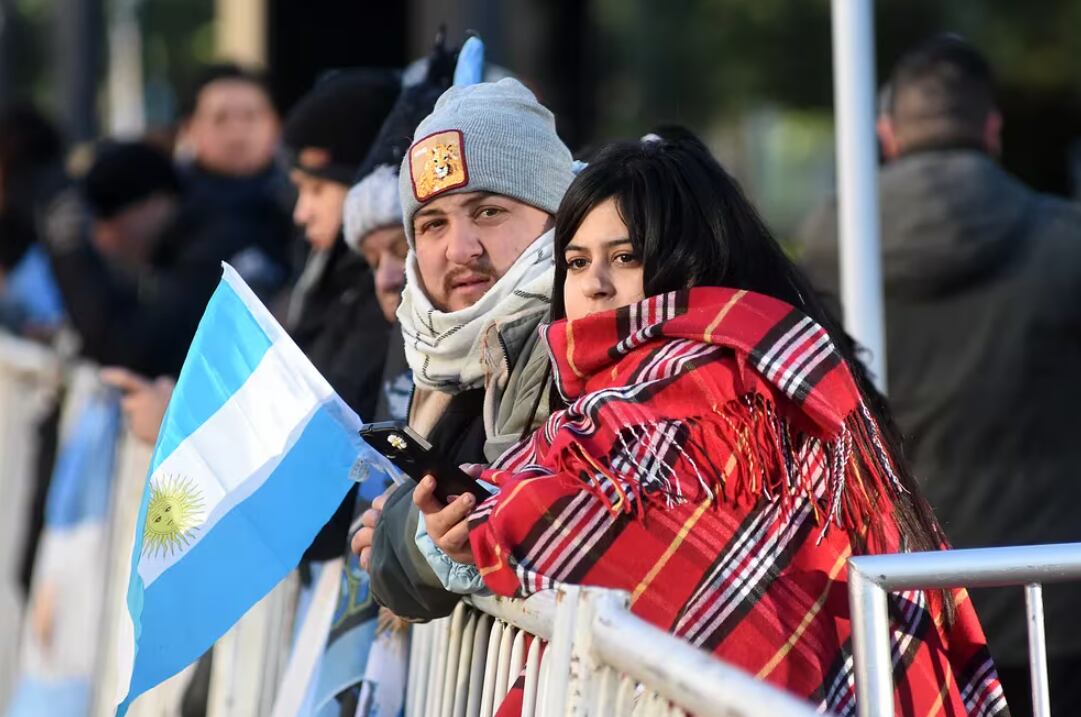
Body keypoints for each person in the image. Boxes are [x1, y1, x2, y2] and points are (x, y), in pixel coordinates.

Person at [414, 130, 1006, 714]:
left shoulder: (718, 374)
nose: (594, 285)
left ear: (687, 262)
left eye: (625, 257)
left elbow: (584, 515)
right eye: (575, 262)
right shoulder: (713, 361)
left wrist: (482, 517)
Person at [796, 35, 1081, 714]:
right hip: (1055, 606)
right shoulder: (1064, 245)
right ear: (991, 129)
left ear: (886, 133)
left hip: (896, 600)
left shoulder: (826, 247)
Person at [351, 78, 576, 621]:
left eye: (489, 212)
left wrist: (406, 535)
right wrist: (410, 539)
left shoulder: (580, 338)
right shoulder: (433, 354)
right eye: (432, 224)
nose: (460, 249)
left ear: (554, 218)